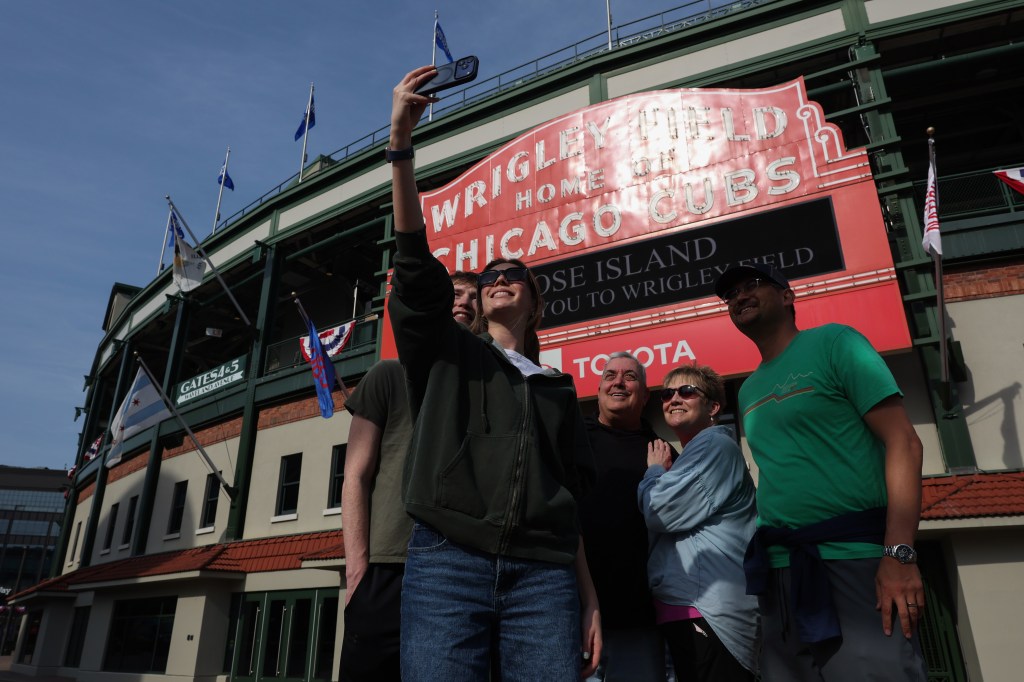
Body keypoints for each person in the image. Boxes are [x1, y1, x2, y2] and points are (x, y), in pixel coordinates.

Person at [386, 65, 601, 681]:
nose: (499, 280)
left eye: (514, 276)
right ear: (476, 299)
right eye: (488, 278)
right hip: (447, 563)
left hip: (544, 578)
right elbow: (413, 261)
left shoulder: (559, 389)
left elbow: (570, 511)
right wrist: (401, 147)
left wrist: (588, 598)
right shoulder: (447, 354)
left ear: (536, 301)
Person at [715, 263, 927, 681]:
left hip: (855, 561)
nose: (739, 296)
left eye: (752, 285)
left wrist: (900, 555)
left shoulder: (836, 342)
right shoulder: (750, 388)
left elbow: (904, 442)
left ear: (788, 296)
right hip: (780, 573)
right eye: (730, 295)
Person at [339, 271, 478, 681]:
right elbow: (355, 477)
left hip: (461, 569)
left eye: (475, 298)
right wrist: (358, 571)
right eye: (456, 294)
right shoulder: (386, 375)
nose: (466, 303)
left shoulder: (487, 389)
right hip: (388, 568)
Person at [638, 364, 759, 681]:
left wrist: (653, 473)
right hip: (690, 607)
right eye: (667, 394)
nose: (674, 399)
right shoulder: (692, 453)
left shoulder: (714, 445)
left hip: (708, 610)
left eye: (687, 391)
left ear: (714, 407)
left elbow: (660, 510)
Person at [578, 352, 668, 681]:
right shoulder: (572, 441)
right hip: (572, 613)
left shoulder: (661, 453)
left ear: (645, 395)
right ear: (599, 388)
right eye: (610, 375)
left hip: (639, 618)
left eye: (630, 377)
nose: (618, 382)